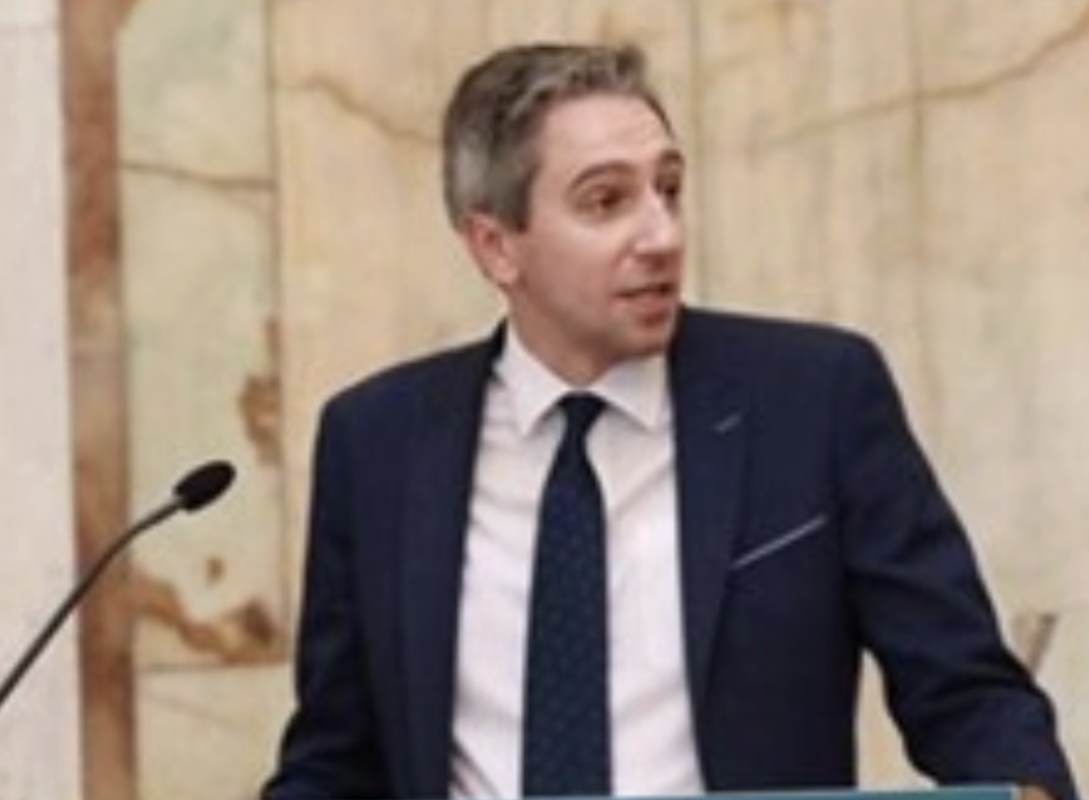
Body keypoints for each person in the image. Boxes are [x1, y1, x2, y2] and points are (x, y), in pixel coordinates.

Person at [260, 42, 1079, 800]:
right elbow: (335, 757)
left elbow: (964, 690)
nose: (661, 234)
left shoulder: (814, 401)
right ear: (496, 245)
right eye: (606, 201)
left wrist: (1026, 787)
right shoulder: (378, 443)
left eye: (670, 189)